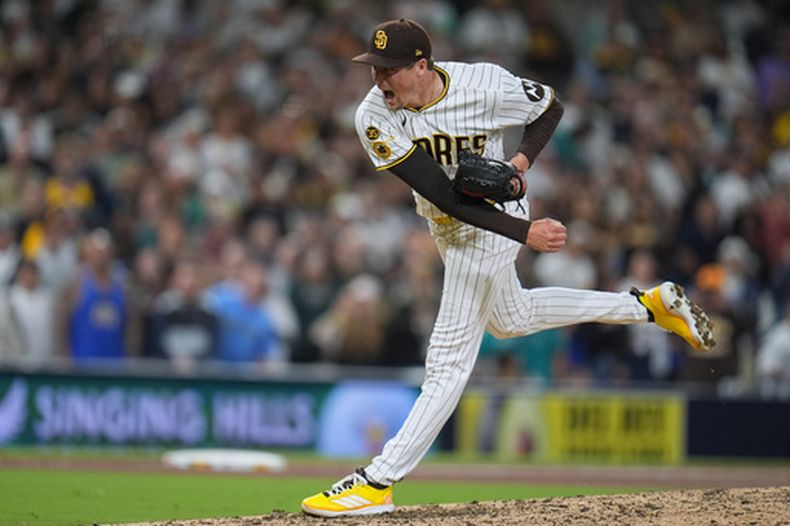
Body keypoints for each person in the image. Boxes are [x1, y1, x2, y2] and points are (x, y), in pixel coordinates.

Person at [301, 18, 715, 517]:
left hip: (494, 223)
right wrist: (528, 233)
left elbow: (550, 106)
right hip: (454, 221)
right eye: (375, 68)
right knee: (510, 318)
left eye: (390, 69)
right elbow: (445, 196)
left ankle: (378, 480)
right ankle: (646, 306)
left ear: (421, 66)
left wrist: (519, 165)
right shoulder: (373, 115)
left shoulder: (484, 85)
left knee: (448, 360)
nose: (379, 80)